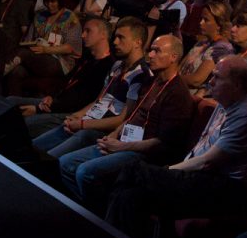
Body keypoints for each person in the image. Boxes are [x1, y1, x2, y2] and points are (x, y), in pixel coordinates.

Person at [105, 56, 247, 238]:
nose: (210, 82)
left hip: (222, 187)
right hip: (201, 176)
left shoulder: (246, 117)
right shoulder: (228, 100)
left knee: (133, 170)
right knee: (129, 196)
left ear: (236, 85)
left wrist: (166, 171)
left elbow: (205, 162)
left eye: (217, 77)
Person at [57, 34, 195, 212]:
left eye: (157, 51)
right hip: (124, 142)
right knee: (65, 163)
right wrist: (112, 136)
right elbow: (132, 116)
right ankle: (87, 210)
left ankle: (98, 218)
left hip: (144, 153)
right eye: (151, 50)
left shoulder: (178, 94)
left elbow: (162, 143)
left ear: (173, 57)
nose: (150, 55)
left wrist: (121, 146)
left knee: (85, 172)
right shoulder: (151, 81)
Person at [33, 17, 149, 157]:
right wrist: (77, 116)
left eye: (121, 38)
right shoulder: (117, 65)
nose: (115, 42)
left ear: (137, 42)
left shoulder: (141, 74)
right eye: (115, 37)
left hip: (101, 129)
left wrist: (83, 124)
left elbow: (123, 118)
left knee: (51, 156)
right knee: (35, 146)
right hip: (90, 119)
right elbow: (98, 100)